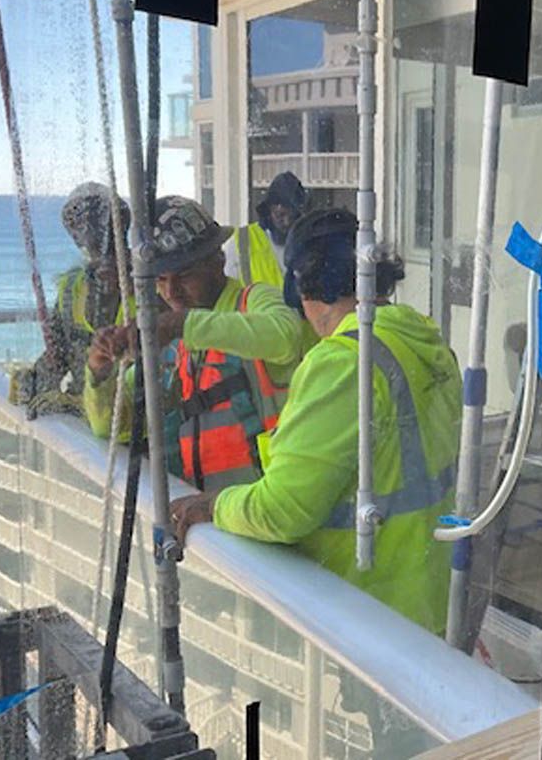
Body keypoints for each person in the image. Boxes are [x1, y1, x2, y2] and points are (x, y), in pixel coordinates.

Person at [169, 208, 461, 635]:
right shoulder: (421, 340)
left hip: (362, 609)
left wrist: (213, 506)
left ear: (301, 286)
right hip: (426, 600)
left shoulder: (344, 363)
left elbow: (283, 511)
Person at [85, 196, 307, 491]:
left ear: (218, 260)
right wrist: (100, 372)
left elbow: (285, 336)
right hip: (209, 521)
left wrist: (181, 324)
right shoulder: (174, 343)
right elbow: (111, 425)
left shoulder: (253, 302)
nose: (171, 292)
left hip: (269, 509)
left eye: (185, 275)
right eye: (161, 279)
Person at [11, 182, 135, 417]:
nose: (89, 231)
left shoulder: (152, 284)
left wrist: (71, 404)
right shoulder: (72, 286)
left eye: (99, 219)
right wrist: (34, 381)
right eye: (78, 223)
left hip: (127, 424)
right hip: (86, 424)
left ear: (120, 224)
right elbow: (58, 353)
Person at [228, 171, 307, 287]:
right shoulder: (242, 242)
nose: (287, 222)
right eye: (280, 215)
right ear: (269, 210)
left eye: (294, 216)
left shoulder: (310, 244)